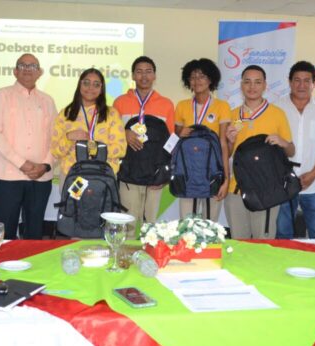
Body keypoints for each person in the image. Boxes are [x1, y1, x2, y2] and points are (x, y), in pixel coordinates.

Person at [0, 53, 57, 239]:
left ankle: (31, 267)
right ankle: (1, 266)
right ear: (15, 71)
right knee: (4, 232)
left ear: (40, 72)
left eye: (32, 66)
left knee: (34, 232)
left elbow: (56, 138)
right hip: (8, 176)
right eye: (22, 65)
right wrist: (22, 163)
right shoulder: (3, 95)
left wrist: (45, 165)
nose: (27, 69)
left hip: (40, 177)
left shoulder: (48, 100)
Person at [224, 65, 294, 239]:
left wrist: (283, 142)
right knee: (239, 243)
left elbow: (291, 151)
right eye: (247, 82)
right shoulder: (233, 115)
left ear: (265, 85)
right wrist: (230, 142)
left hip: (267, 190)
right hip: (236, 190)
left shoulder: (277, 114)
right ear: (241, 85)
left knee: (263, 244)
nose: (252, 87)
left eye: (257, 82)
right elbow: (227, 154)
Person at [113, 56, 175, 239]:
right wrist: (124, 133)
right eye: (139, 71)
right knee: (128, 223)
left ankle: (149, 262)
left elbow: (171, 141)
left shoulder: (166, 104)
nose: (144, 76)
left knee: (150, 226)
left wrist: (165, 173)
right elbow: (111, 134)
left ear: (155, 75)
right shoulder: (120, 102)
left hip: (154, 176)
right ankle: (126, 261)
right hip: (128, 174)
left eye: (148, 71)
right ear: (133, 75)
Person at [275, 61, 315, 239]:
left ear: (313, 83)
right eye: (297, 80)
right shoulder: (277, 107)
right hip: (283, 184)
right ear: (289, 82)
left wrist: (313, 174)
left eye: (306, 80)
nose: (301, 85)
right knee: (283, 234)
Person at [174, 58, 231, 220]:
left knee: (210, 228)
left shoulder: (222, 106)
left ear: (211, 79)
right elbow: (176, 135)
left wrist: (226, 180)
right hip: (187, 174)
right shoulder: (181, 106)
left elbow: (223, 144)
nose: (197, 81)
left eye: (202, 76)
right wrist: (179, 131)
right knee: (186, 228)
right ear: (188, 81)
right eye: (193, 77)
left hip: (212, 173)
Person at [51, 68, 126, 175]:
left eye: (96, 84)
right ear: (79, 85)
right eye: (86, 83)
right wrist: (68, 137)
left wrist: (93, 149)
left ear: (101, 89)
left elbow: (121, 149)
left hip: (103, 175)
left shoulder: (112, 114)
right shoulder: (65, 114)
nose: (90, 88)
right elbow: (55, 151)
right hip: (72, 174)